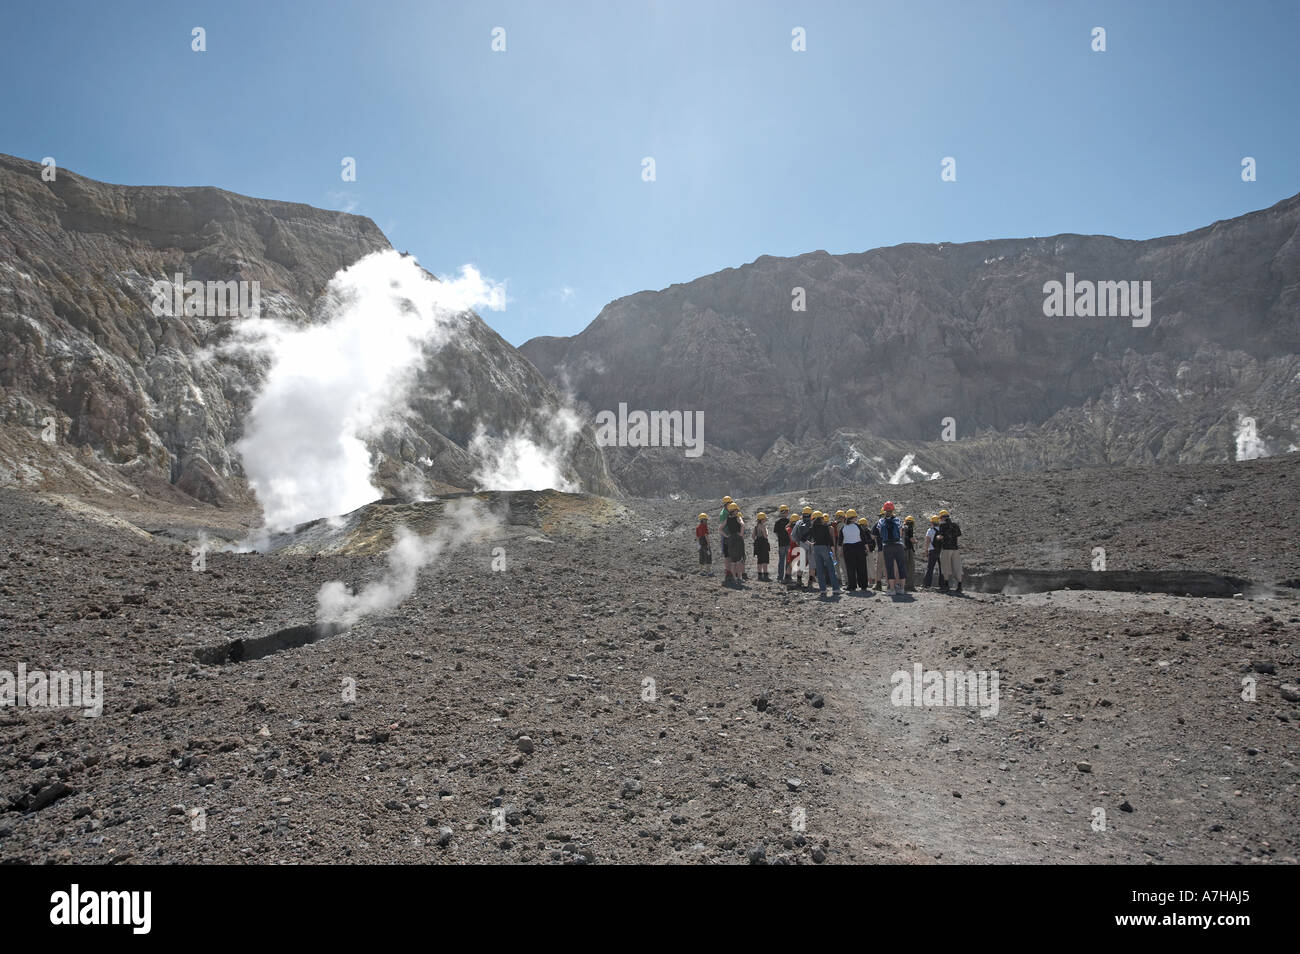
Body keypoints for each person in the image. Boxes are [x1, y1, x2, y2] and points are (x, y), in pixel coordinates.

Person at [877, 501, 907, 597]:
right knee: (901, 566)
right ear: (893, 509)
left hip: (887, 546)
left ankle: (892, 589)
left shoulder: (881, 521)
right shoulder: (898, 520)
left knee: (889, 567)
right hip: (898, 545)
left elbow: (881, 533)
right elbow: (901, 533)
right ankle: (902, 589)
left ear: (884, 510)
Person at [810, 511, 841, 597]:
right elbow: (829, 540)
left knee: (819, 570)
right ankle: (835, 589)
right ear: (821, 518)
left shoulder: (811, 528)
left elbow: (803, 537)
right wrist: (833, 552)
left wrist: (810, 543)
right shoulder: (825, 527)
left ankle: (823, 590)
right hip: (825, 548)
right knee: (831, 568)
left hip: (816, 549)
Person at [935, 509, 963, 594]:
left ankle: (946, 585)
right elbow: (958, 537)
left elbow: (940, 537)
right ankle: (960, 585)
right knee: (957, 567)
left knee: (945, 567)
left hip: (946, 548)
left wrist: (938, 537)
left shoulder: (942, 526)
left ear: (942, 518)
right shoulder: (955, 525)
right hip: (955, 549)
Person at [841, 509, 866, 591]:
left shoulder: (843, 527)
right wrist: (866, 548)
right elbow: (863, 538)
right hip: (859, 547)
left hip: (848, 549)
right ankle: (863, 585)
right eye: (855, 517)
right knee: (861, 567)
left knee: (850, 568)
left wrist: (840, 551)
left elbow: (840, 541)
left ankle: (852, 586)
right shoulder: (858, 526)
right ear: (853, 518)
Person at [723, 502, 746, 587]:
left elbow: (720, 529)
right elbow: (743, 524)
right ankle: (739, 578)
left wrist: (726, 535)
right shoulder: (738, 517)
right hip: (737, 539)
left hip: (731, 539)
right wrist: (741, 533)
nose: (737, 511)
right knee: (739, 560)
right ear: (734, 510)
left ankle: (734, 579)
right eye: (736, 510)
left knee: (733, 561)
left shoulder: (727, 519)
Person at [792, 507, 815, 589]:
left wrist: (799, 542)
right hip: (812, 545)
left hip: (802, 544)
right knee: (812, 565)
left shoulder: (798, 523)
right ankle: (810, 582)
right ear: (811, 514)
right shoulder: (813, 523)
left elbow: (793, 536)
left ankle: (799, 581)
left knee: (801, 563)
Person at [923, 514, 945, 590]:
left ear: (932, 522)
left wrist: (926, 550)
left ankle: (927, 584)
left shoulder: (930, 530)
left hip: (932, 551)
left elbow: (927, 541)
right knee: (942, 568)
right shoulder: (942, 530)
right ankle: (942, 585)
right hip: (941, 551)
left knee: (930, 568)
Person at [773, 505, 792, 583]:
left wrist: (780, 538)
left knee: (781, 560)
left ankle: (780, 576)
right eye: (787, 511)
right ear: (785, 512)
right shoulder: (789, 521)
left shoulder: (777, 522)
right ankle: (788, 576)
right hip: (788, 543)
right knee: (788, 560)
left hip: (781, 544)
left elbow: (776, 533)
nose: (787, 513)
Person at [753, 512, 771, 581]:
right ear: (762, 519)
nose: (765, 520)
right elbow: (765, 536)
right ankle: (765, 575)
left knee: (759, 560)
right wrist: (766, 532)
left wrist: (757, 540)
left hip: (758, 545)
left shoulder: (756, 527)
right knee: (765, 560)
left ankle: (759, 575)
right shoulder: (763, 526)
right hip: (763, 544)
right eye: (764, 519)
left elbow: (753, 536)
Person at [871, 509, 886, 591]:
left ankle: (878, 584)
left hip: (881, 548)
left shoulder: (878, 524)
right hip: (891, 547)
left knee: (879, 566)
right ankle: (891, 585)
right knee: (889, 566)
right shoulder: (894, 522)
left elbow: (872, 537)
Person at [903, 515, 917, 592]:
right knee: (910, 567)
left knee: (904, 567)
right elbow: (911, 539)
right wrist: (915, 541)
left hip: (903, 549)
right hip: (909, 549)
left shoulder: (902, 527)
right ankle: (910, 585)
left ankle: (903, 584)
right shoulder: (910, 527)